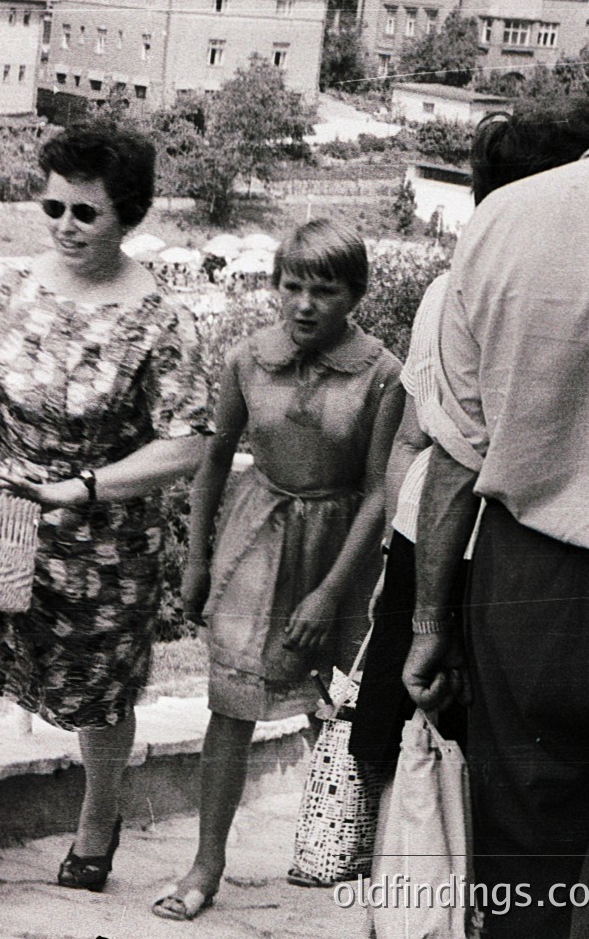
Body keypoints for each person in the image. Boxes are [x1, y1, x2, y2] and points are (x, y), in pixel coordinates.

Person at [0, 123, 212, 935]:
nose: (65, 226)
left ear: (128, 216)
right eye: (54, 207)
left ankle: (99, 817)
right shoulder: (4, 288)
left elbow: (185, 442)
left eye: (86, 213)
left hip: (106, 539)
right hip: (0, 520)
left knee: (99, 697)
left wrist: (84, 487)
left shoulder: (160, 320)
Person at [403, 4, 589, 939]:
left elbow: (454, 459)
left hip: (525, 591)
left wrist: (431, 624)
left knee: (525, 871)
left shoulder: (503, 222)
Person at [348, 98, 589, 784]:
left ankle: (409, 881)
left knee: (409, 751)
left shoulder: (456, 285)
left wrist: (398, 566)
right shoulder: (588, 293)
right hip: (502, 551)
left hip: (435, 542)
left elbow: (421, 444)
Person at [161, 219, 404, 920]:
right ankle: (206, 865)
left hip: (343, 549)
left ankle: (361, 858)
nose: (302, 304)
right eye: (290, 286)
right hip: (257, 538)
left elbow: (381, 488)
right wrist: (198, 559)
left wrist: (330, 593)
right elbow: (214, 458)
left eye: (323, 291)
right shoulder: (247, 358)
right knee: (230, 705)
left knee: (354, 707)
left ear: (353, 294)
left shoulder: (382, 373)